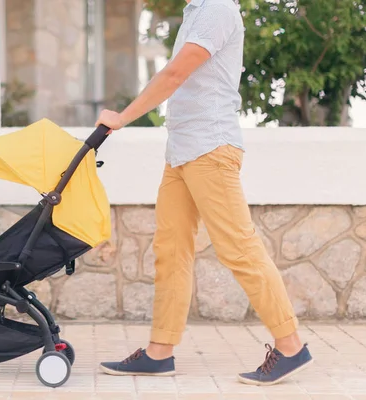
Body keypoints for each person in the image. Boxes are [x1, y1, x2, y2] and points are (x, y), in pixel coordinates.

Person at [95, 0, 312, 386]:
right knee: (171, 250)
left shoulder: (216, 8)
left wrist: (122, 118)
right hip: (182, 150)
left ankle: (290, 344)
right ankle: (160, 352)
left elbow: (177, 72)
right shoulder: (196, 10)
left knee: (238, 247)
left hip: (210, 148)